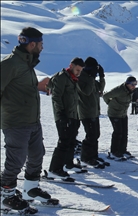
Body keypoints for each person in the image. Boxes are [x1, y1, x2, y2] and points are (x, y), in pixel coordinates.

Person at [1, 27, 55, 214]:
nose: (42, 47)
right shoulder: (10, 64)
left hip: (32, 121)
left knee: (36, 156)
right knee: (15, 160)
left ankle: (30, 188)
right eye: (40, 44)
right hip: (16, 122)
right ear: (32, 44)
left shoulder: (27, 64)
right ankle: (5, 197)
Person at [47, 57, 87, 179]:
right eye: (77, 69)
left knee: (71, 141)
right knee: (64, 142)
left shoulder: (73, 79)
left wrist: (76, 117)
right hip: (63, 116)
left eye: (81, 70)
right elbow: (56, 97)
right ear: (71, 66)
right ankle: (55, 169)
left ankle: (68, 164)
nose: (79, 72)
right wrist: (62, 114)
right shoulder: (62, 77)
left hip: (73, 115)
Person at [77, 57, 106, 168]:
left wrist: (101, 77)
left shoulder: (90, 78)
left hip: (94, 111)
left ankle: (93, 156)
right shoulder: (81, 78)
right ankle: (86, 157)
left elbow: (100, 89)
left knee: (96, 134)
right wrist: (91, 77)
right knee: (90, 135)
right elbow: (87, 92)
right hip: (86, 112)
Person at [103, 76, 137, 160]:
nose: (134, 86)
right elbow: (105, 96)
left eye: (135, 84)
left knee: (124, 132)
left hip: (123, 114)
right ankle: (114, 151)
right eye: (132, 84)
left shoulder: (130, 91)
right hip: (114, 113)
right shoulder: (119, 90)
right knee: (118, 132)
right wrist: (111, 105)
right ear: (127, 83)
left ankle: (122, 150)